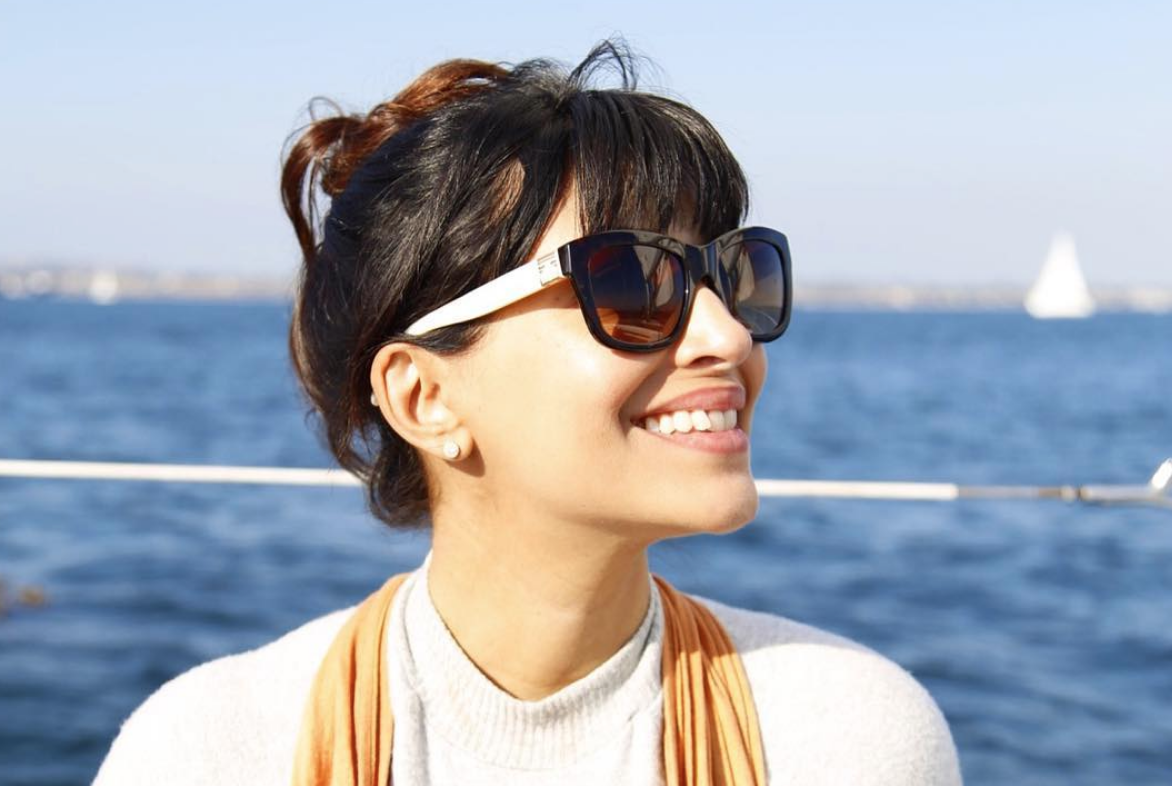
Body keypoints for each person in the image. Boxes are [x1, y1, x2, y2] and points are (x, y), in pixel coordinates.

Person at [94, 40, 962, 785]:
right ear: (425, 396)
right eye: (631, 282)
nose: (728, 336)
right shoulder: (211, 752)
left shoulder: (847, 737)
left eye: (733, 276)